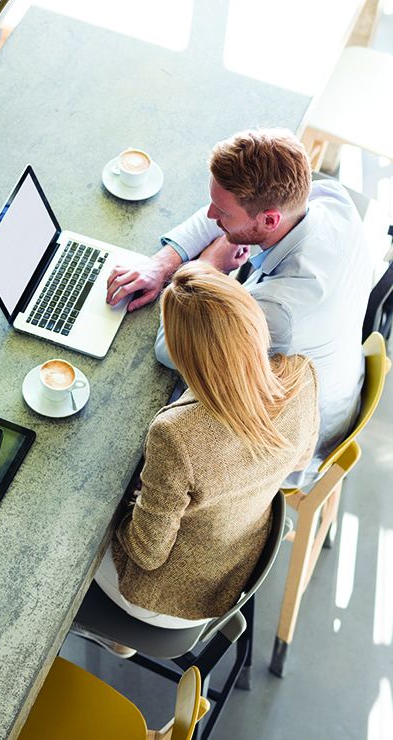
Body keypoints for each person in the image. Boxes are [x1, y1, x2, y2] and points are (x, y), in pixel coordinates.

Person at [74, 263, 319, 657]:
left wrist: (126, 507)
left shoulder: (176, 433)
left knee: (74, 523)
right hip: (234, 556)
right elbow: (299, 460)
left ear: (183, 354)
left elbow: (146, 552)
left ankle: (117, 638)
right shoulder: (302, 375)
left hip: (166, 599)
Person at [106, 129, 373, 486]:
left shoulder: (280, 311)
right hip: (344, 386)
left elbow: (170, 349)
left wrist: (206, 267)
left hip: (287, 449)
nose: (211, 214)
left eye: (224, 213)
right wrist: (160, 264)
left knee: (148, 441)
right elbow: (218, 212)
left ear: (269, 221)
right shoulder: (330, 199)